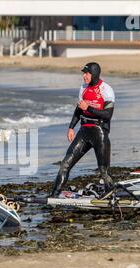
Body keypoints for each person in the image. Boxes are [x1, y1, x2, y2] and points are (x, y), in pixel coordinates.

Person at [50, 62, 115, 197]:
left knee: (104, 171)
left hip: (100, 131)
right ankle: (54, 196)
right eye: (83, 73)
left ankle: (110, 195)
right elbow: (79, 109)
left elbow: (108, 115)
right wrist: (71, 127)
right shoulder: (83, 88)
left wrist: (89, 108)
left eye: (87, 73)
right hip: (84, 132)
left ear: (94, 74)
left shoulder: (106, 89)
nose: (84, 76)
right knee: (65, 165)